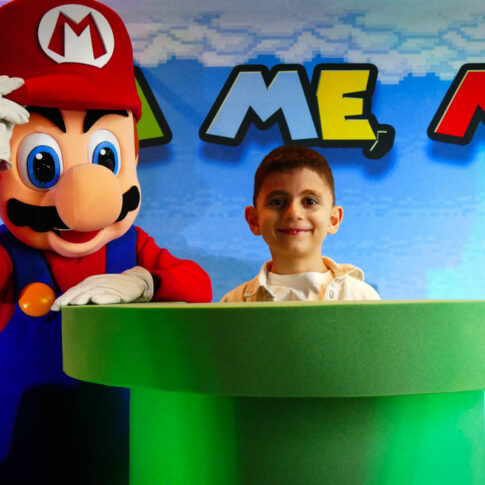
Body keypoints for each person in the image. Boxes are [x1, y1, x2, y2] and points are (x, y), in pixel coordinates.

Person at [0, 0, 211, 481]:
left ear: (131, 156)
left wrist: (143, 282)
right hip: (19, 446)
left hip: (117, 441)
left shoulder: (131, 246)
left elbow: (196, 284)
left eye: (106, 157)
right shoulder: (9, 254)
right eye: (42, 163)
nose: (84, 195)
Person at [221, 145, 380, 302]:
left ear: (333, 219)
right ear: (254, 220)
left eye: (310, 201)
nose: (293, 213)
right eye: (277, 202)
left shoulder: (363, 298)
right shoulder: (232, 304)